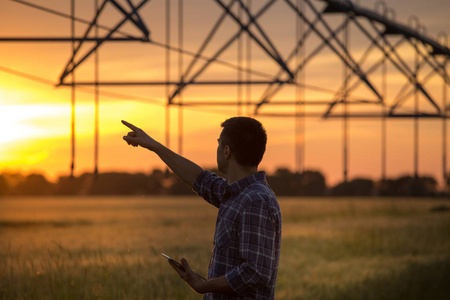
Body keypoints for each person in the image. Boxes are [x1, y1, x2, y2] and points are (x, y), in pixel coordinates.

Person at [122, 117, 282, 299]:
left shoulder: (255, 200)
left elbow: (255, 273)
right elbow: (199, 179)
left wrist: (203, 285)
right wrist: (154, 146)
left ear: (227, 151)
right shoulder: (235, 194)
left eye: (219, 144)